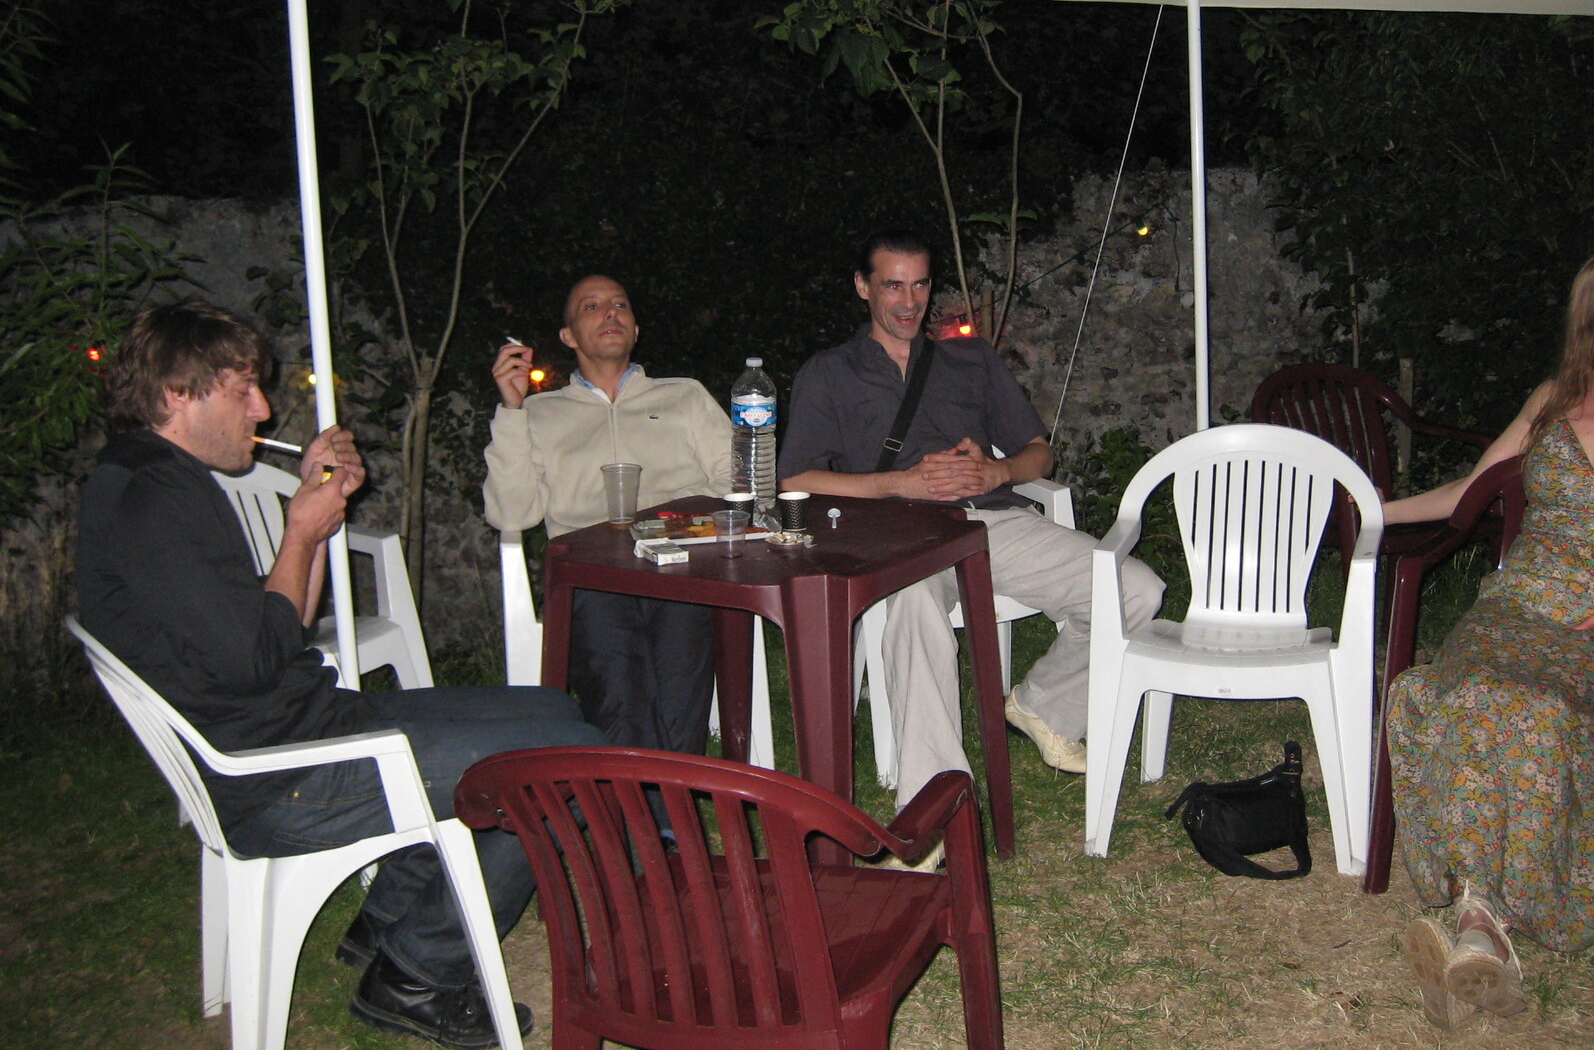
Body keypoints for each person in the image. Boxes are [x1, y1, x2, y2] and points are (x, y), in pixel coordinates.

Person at [78, 299, 606, 1049]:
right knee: (567, 763)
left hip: (299, 729)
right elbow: (259, 658)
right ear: (177, 394)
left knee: (554, 710)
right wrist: (302, 530)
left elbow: (274, 629)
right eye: (242, 391)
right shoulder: (155, 500)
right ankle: (418, 974)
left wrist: (313, 514)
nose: (262, 409)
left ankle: (387, 918)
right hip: (281, 777)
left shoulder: (150, 476)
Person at [1384, 248, 1594, 1031]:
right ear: (1588, 325)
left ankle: (1480, 922)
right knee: (1457, 690)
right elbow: (1471, 490)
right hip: (1516, 604)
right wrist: (1371, 510)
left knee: (1534, 710)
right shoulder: (1549, 401)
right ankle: (1482, 925)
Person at [777, 230, 1165, 811]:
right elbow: (795, 480)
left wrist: (998, 472)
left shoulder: (969, 359)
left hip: (990, 524)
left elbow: (1040, 454)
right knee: (913, 605)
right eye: (893, 286)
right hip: (899, 532)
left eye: (920, 285)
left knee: (1134, 589)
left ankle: (1043, 706)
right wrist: (899, 484)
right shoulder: (830, 372)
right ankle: (935, 800)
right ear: (862, 287)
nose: (909, 302)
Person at [482, 274, 732, 754]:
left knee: (679, 672)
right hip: (592, 572)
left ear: (635, 329)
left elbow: (738, 478)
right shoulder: (539, 414)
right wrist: (511, 411)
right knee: (619, 684)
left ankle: (666, 793)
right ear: (569, 336)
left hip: (680, 559)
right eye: (591, 307)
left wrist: (688, 520)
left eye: (620, 304)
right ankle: (644, 797)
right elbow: (511, 513)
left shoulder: (683, 396)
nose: (610, 313)